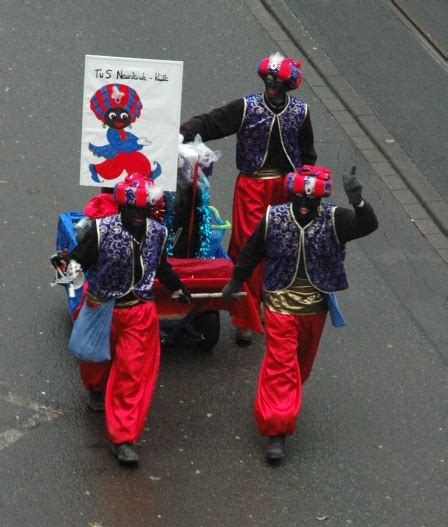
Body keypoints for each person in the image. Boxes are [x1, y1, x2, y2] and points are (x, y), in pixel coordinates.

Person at [221, 165, 378, 461]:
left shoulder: (334, 219)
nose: (304, 206)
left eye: (311, 201)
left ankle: (283, 401)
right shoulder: (274, 218)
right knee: (281, 365)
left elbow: (367, 226)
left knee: (299, 367)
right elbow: (252, 251)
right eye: (300, 200)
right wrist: (236, 281)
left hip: (314, 308)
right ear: (292, 195)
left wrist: (358, 201)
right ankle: (275, 432)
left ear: (320, 201)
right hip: (279, 304)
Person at [180, 52, 317, 345]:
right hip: (252, 187)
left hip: (285, 189)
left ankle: (271, 304)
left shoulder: (300, 113)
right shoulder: (247, 108)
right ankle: (245, 317)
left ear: (286, 86)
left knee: (281, 248)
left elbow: (308, 156)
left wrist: (309, 187)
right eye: (267, 79)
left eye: (276, 81)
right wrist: (183, 132)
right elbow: (212, 122)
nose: (270, 84)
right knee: (248, 247)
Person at [65, 174, 191, 465]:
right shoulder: (100, 230)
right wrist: (68, 273)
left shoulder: (158, 232)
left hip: (139, 312)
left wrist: (178, 288)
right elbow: (73, 260)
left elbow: (161, 266)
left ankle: (122, 438)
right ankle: (95, 390)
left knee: (131, 374)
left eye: (142, 210)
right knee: (94, 363)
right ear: (121, 207)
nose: (137, 216)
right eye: (131, 210)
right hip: (101, 307)